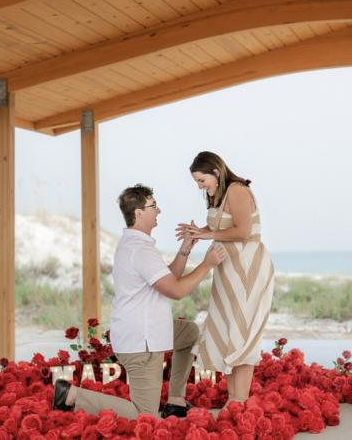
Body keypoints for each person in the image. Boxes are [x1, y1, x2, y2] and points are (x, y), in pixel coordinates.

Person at [53, 184, 226, 419]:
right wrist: (208, 264)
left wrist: (185, 250)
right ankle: (72, 395)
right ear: (138, 213)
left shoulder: (137, 245)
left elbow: (167, 278)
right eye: (154, 206)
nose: (159, 211)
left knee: (188, 333)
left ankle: (175, 400)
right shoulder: (140, 250)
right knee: (144, 414)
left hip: (144, 330)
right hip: (141, 342)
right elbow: (176, 291)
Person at [176, 151, 275, 407]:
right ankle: (234, 400)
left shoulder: (237, 190)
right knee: (227, 331)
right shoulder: (216, 194)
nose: (199, 186)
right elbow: (220, 228)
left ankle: (239, 402)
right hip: (226, 268)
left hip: (247, 269)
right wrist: (198, 232)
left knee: (242, 333)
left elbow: (243, 231)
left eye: (201, 180)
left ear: (216, 172)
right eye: (196, 182)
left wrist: (208, 235)